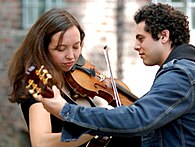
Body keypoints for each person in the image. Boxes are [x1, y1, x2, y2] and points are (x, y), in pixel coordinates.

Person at [36, 3, 195, 147]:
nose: (135, 46)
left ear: (164, 36)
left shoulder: (181, 75)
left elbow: (136, 118)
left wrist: (65, 110)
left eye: (141, 38)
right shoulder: (187, 70)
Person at [8, 8, 140, 147]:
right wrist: (97, 127)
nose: (71, 56)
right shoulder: (40, 84)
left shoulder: (75, 77)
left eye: (76, 47)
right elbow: (41, 142)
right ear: (42, 49)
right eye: (60, 49)